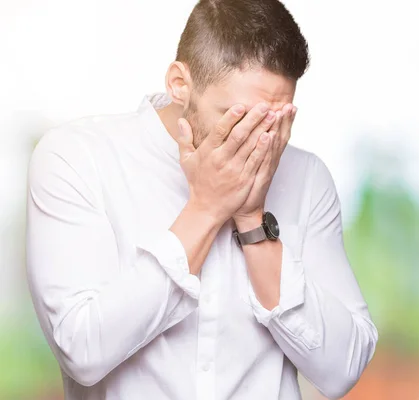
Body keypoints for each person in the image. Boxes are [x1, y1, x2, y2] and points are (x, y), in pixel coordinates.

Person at [26, 0, 378, 399]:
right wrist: (207, 208)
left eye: (275, 120)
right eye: (238, 116)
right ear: (179, 83)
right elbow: (82, 350)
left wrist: (251, 219)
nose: (259, 139)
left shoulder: (308, 178)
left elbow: (343, 368)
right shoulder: (77, 159)